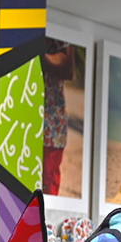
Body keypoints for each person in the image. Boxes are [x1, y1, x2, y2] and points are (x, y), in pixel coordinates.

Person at [41, 39, 73, 197]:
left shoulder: (60, 39)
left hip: (51, 123)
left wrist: (38, 55)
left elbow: (68, 67)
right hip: (26, 117)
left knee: (48, 185)